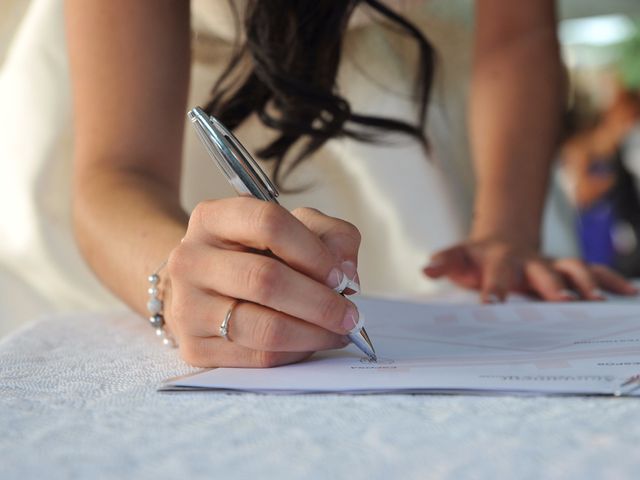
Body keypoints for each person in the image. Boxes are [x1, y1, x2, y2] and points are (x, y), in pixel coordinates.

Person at [65, 0, 637, 368]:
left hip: (440, 116)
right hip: (155, 131)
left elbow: (516, 34)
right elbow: (119, 169)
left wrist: (506, 231)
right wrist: (172, 278)